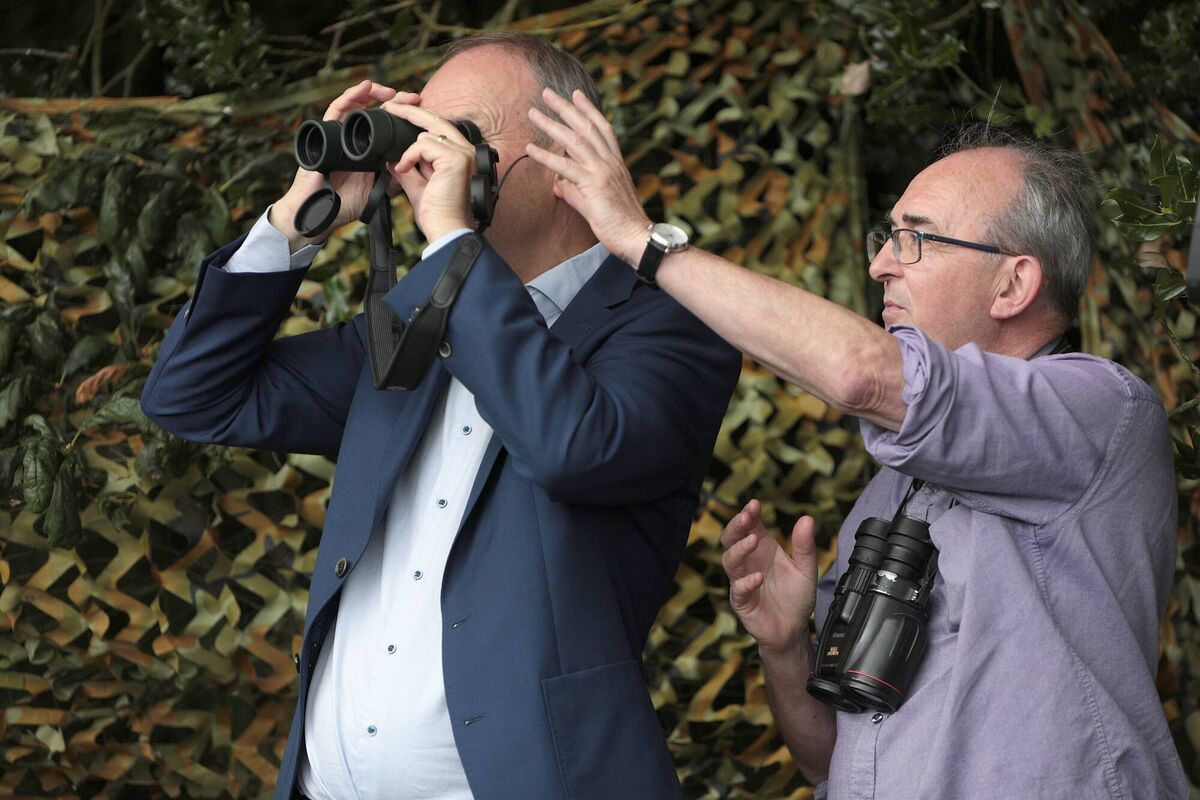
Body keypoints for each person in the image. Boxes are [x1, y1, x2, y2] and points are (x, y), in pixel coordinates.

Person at [523, 89, 1188, 798]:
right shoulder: (891, 488)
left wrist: (643, 242)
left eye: (915, 239)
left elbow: (862, 374)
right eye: (886, 236)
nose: (880, 266)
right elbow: (827, 760)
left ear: (1012, 283)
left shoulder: (1102, 410)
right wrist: (785, 647)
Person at [141, 34, 740, 800]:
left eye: (461, 135)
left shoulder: (670, 327)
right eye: (423, 135)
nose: (428, 160)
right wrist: (303, 218)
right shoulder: (404, 331)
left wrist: (454, 242)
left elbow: (570, 449)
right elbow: (192, 396)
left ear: (561, 154)